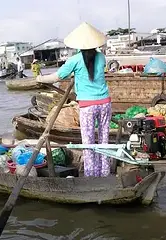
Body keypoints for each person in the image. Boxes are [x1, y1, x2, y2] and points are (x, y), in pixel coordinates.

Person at [35, 22, 111, 177]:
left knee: (88, 142)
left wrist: (40, 78)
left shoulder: (75, 60)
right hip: (105, 103)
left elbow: (57, 77)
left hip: (88, 106)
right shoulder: (102, 57)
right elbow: (93, 69)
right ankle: (104, 173)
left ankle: (91, 175)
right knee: (104, 140)